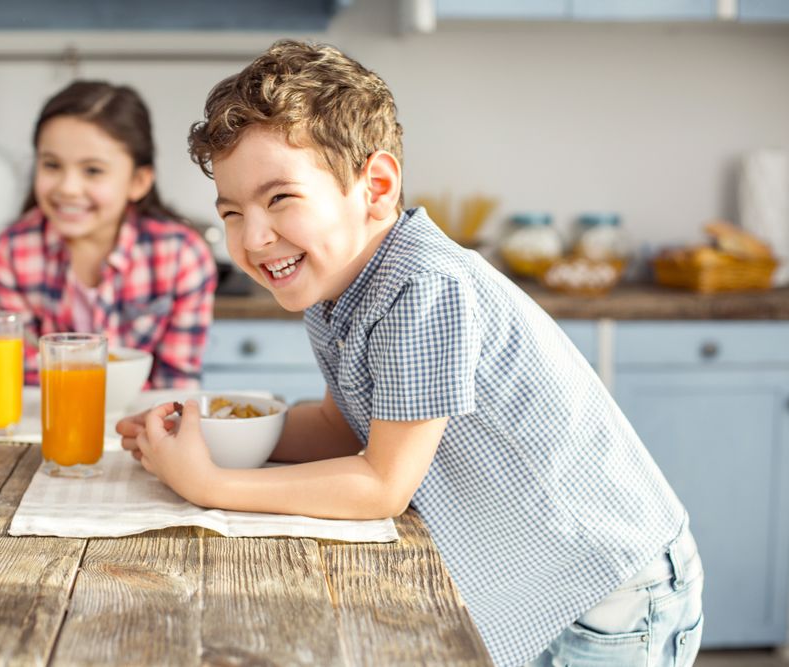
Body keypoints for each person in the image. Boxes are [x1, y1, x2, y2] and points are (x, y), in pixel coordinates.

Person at [117, 41, 703, 666]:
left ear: (375, 186)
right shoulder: (334, 287)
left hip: (611, 597)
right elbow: (343, 430)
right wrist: (205, 434)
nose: (253, 237)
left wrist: (209, 483)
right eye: (232, 212)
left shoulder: (423, 284)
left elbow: (381, 484)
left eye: (279, 198)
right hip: (552, 587)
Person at [0, 81, 217, 387]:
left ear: (139, 181)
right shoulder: (9, 253)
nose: (67, 187)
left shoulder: (183, 256)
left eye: (92, 170)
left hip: (143, 427)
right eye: (51, 165)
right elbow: (26, 380)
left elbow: (176, 383)